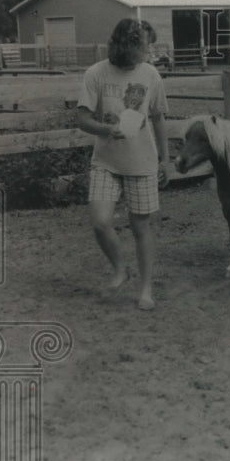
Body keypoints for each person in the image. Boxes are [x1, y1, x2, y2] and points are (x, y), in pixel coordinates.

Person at [76, 19, 169, 311]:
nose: (147, 54)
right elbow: (82, 118)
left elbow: (158, 117)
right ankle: (120, 268)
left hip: (142, 161)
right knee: (100, 221)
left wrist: (165, 159)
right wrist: (106, 130)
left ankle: (145, 289)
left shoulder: (151, 75)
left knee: (140, 226)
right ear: (124, 47)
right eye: (142, 48)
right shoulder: (96, 73)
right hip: (106, 160)